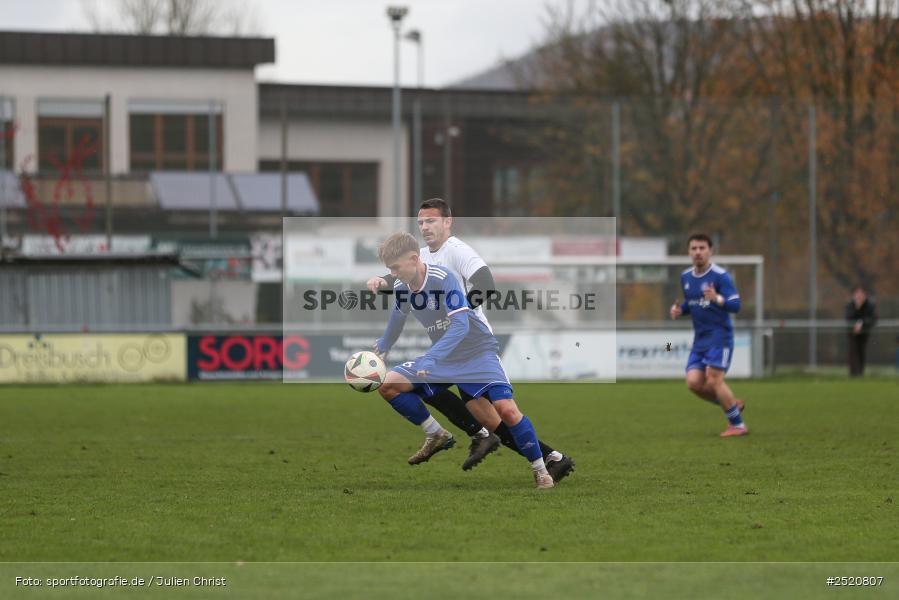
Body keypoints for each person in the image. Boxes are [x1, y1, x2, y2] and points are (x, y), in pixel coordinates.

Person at [367, 198, 574, 481]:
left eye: (431, 221)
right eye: (421, 223)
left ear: (448, 222)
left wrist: (458, 310)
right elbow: (405, 276)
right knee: (479, 414)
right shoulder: (423, 256)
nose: (425, 227)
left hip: (471, 341)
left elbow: (485, 283)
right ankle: (542, 455)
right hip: (445, 347)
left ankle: (538, 457)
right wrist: (382, 282)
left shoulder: (456, 251)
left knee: (498, 415)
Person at [670, 233, 748, 437]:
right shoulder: (686, 277)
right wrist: (681, 310)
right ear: (688, 252)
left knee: (714, 381)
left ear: (710, 251)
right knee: (693, 383)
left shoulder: (721, 276)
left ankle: (738, 425)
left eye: (702, 248)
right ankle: (730, 404)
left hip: (720, 336)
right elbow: (693, 302)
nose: (698, 252)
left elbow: (736, 305)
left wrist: (718, 298)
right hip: (700, 339)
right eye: (694, 248)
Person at [845, 286, 877, 376]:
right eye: (857, 294)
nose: (859, 296)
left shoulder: (869, 305)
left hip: (864, 332)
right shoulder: (850, 305)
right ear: (854, 295)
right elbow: (848, 318)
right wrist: (857, 307)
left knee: (861, 351)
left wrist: (861, 324)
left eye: (861, 294)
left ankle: (860, 373)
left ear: (864, 295)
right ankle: (853, 374)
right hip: (852, 333)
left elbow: (872, 318)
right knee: (853, 352)